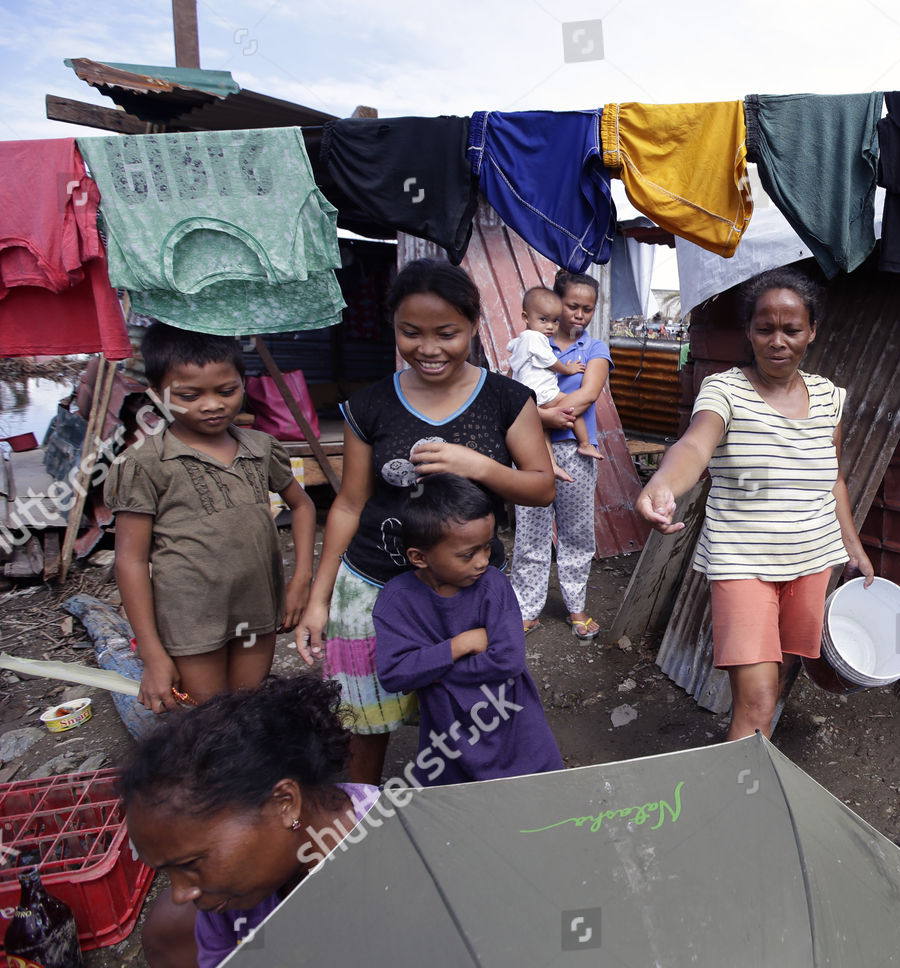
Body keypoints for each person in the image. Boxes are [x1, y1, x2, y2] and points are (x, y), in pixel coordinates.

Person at [293, 258, 556, 785]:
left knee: (470, 713)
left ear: (474, 325)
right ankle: (363, 826)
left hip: (465, 592)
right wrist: (318, 599)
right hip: (372, 583)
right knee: (364, 724)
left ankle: (463, 819)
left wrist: (477, 465)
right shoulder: (370, 406)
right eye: (411, 333)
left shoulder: (506, 399)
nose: (429, 348)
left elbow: (541, 485)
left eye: (447, 333)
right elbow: (347, 504)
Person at [635, 267, 874, 740]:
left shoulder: (829, 397)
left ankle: (754, 769)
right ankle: (739, 797)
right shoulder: (725, 390)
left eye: (792, 329)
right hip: (742, 562)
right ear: (749, 331)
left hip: (811, 560)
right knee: (758, 698)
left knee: (781, 671)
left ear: (812, 331)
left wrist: (854, 546)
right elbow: (694, 446)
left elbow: (834, 479)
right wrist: (664, 483)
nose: (778, 341)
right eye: (765, 329)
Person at [107, 324, 315, 712]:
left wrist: (300, 580)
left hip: (257, 610)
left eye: (226, 390)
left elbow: (303, 506)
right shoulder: (145, 464)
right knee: (203, 716)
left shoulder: (260, 447)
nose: (212, 404)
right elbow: (130, 560)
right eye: (190, 395)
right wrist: (153, 655)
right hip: (191, 621)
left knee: (248, 709)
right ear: (156, 393)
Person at [122, 676, 382, 968]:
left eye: (191, 864)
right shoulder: (230, 901)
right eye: (169, 872)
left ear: (285, 804)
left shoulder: (402, 850)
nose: (183, 893)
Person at [373, 473, 564, 783]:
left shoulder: (494, 585)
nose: (482, 562)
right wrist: (458, 645)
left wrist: (430, 672)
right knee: (460, 808)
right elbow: (393, 674)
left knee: (537, 797)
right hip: (448, 732)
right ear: (419, 557)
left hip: (512, 719)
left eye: (487, 548)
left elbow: (508, 660)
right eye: (468, 554)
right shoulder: (396, 600)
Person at [512, 269, 613, 640]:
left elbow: (588, 394)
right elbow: (512, 394)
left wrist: (548, 414)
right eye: (572, 306)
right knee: (531, 531)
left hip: (574, 448)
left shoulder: (594, 348)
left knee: (576, 531)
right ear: (556, 302)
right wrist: (542, 417)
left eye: (588, 309)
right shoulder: (533, 341)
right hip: (530, 448)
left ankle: (576, 607)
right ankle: (526, 609)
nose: (579, 315)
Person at [503, 286, 600, 481]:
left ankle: (552, 464)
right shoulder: (536, 339)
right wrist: (568, 369)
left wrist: (536, 415)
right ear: (525, 317)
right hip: (545, 395)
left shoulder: (521, 341)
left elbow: (511, 375)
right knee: (572, 408)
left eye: (554, 321)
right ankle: (585, 443)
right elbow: (550, 362)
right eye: (544, 320)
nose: (550, 326)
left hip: (531, 402)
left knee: (543, 432)